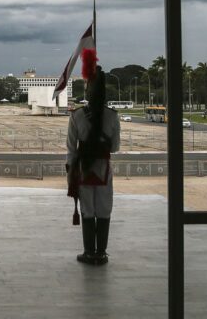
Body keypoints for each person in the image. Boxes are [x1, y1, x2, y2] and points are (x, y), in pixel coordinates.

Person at [67, 48, 120, 266]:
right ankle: (102, 253)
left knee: (87, 210)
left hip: (84, 169)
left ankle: (89, 253)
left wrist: (71, 170)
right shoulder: (112, 116)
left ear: (89, 90)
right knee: (104, 209)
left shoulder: (77, 115)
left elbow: (71, 148)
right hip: (104, 169)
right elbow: (115, 147)